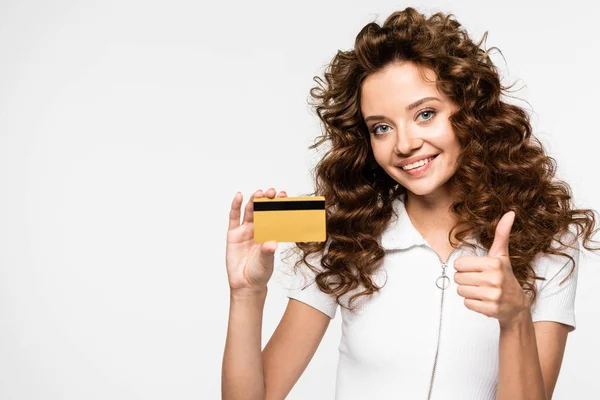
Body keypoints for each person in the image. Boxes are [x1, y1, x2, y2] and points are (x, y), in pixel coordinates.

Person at [221, 7, 599, 400]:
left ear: (469, 111)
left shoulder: (548, 236)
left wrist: (515, 317)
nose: (404, 144)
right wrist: (246, 295)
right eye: (381, 128)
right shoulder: (334, 227)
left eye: (425, 114)